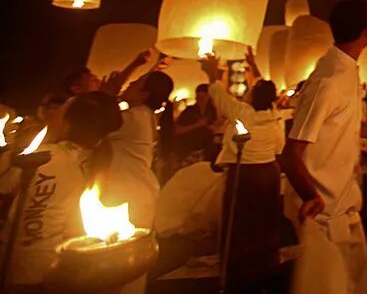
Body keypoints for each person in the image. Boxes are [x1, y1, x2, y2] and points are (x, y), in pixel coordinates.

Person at [281, 0, 367, 294]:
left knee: (356, 282)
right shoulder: (328, 80)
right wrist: (312, 197)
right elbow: (291, 153)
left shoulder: (347, 69)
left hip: (345, 203)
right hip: (323, 213)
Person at [0, 91, 123, 288]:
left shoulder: (44, 156)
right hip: (55, 265)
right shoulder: (96, 163)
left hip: (16, 262)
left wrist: (9, 151)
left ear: (67, 123)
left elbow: (4, 185)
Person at [199, 52, 285, 291]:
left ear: (253, 95)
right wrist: (254, 65)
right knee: (265, 224)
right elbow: (266, 89)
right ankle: (266, 270)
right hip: (269, 173)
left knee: (242, 224)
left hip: (246, 176)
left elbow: (217, 92)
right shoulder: (275, 114)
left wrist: (212, 70)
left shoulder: (242, 114)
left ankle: (240, 275)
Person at [101, 68, 174, 294]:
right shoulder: (141, 116)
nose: (128, 85)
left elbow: (95, 123)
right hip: (136, 192)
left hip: (129, 195)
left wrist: (108, 95)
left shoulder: (134, 118)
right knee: (132, 263)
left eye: (135, 82)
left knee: (125, 263)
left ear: (143, 94)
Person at [172, 83, 219, 167]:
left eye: (203, 97)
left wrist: (212, 128)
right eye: (198, 97)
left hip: (208, 153)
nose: (200, 100)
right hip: (189, 151)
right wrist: (196, 125)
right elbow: (176, 130)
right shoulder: (189, 111)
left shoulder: (213, 111)